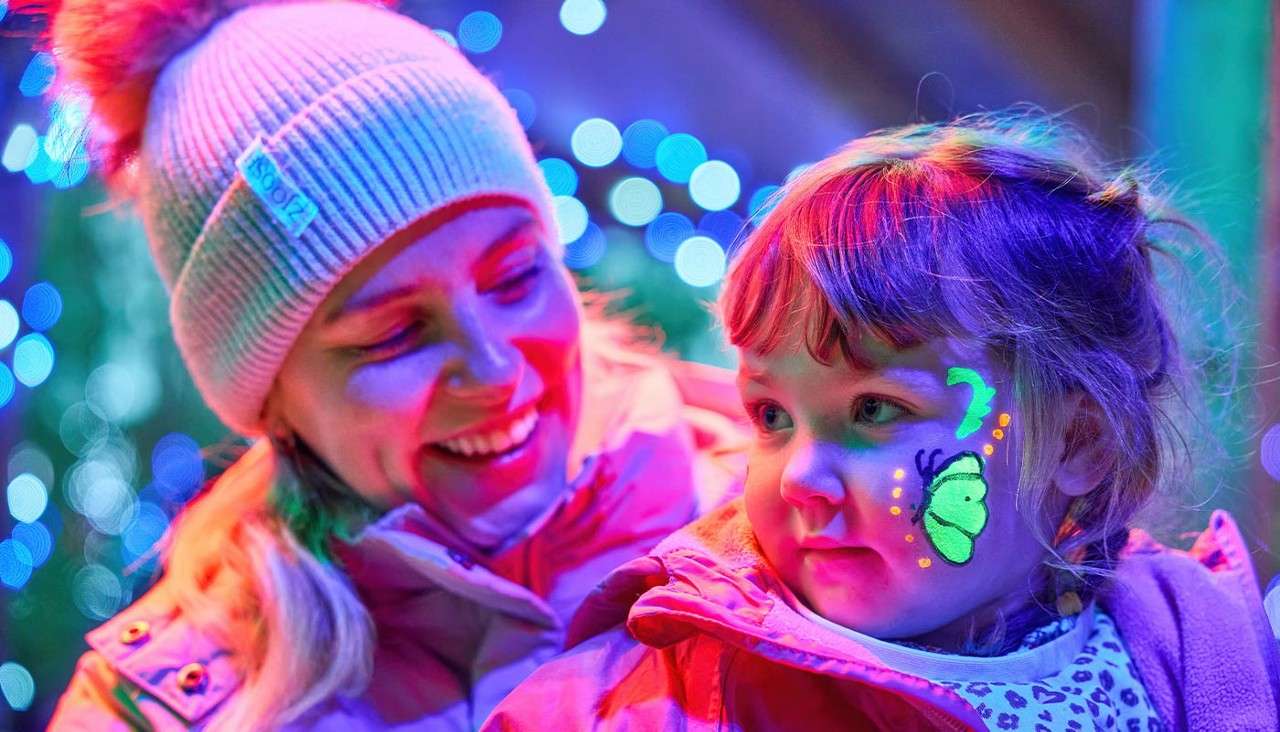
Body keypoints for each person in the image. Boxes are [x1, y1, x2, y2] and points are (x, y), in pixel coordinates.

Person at [42, 0, 744, 728]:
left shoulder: (807, 533)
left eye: (515, 277)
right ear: (270, 396)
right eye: (392, 334)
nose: (495, 368)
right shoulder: (148, 711)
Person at [483, 113, 1280, 731]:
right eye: (771, 414)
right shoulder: (659, 695)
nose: (800, 479)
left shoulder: (1190, 659)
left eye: (875, 409)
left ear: (1078, 443)